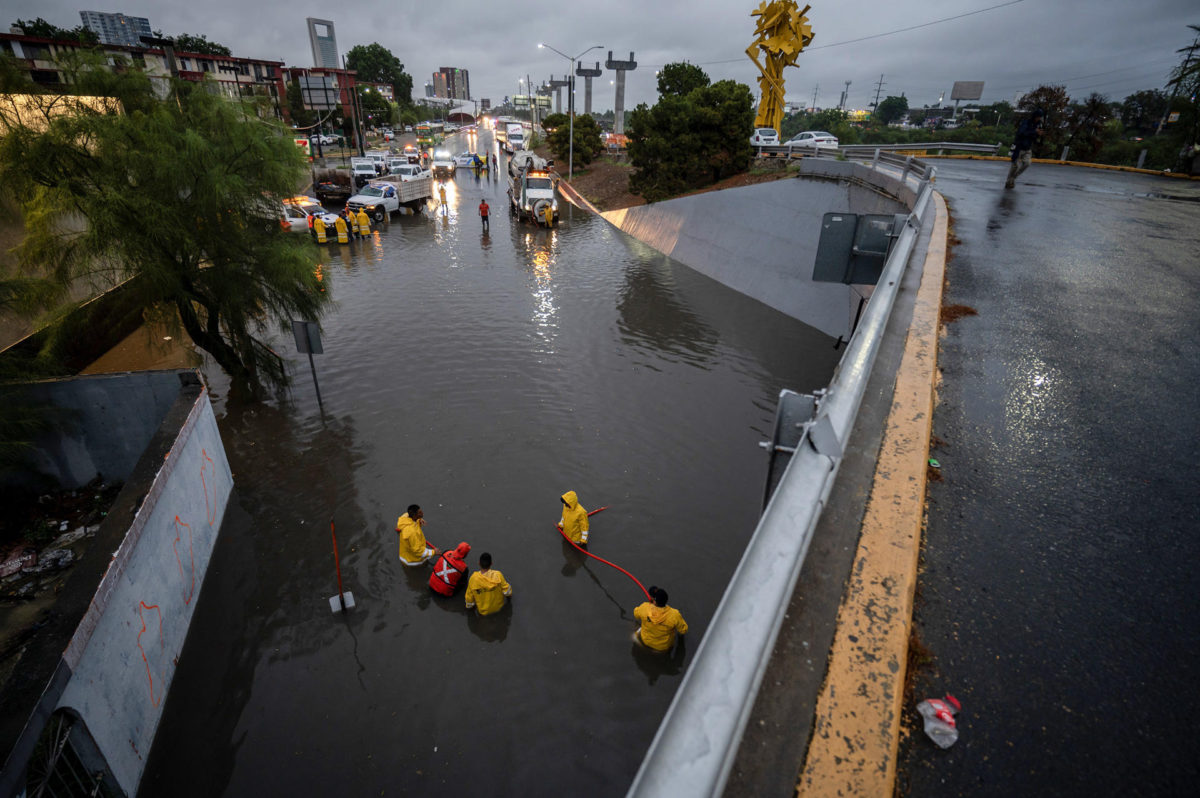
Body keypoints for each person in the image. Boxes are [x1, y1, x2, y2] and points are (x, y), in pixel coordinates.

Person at [634, 586, 688, 652]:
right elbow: (683, 630)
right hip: (663, 647)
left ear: (654, 601)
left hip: (646, 641)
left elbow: (636, 614)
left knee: (637, 629)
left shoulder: (644, 607)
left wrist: (649, 606)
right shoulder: (674, 615)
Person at [1005, 108, 1044, 189]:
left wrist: (1038, 134)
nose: (1039, 119)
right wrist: (1034, 132)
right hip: (1019, 147)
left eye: (1040, 117)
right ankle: (1009, 181)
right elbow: (1022, 132)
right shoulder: (1026, 122)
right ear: (1035, 116)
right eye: (1038, 117)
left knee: (1027, 163)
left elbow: (1034, 136)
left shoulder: (1039, 124)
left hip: (1028, 148)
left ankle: (1013, 178)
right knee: (1015, 166)